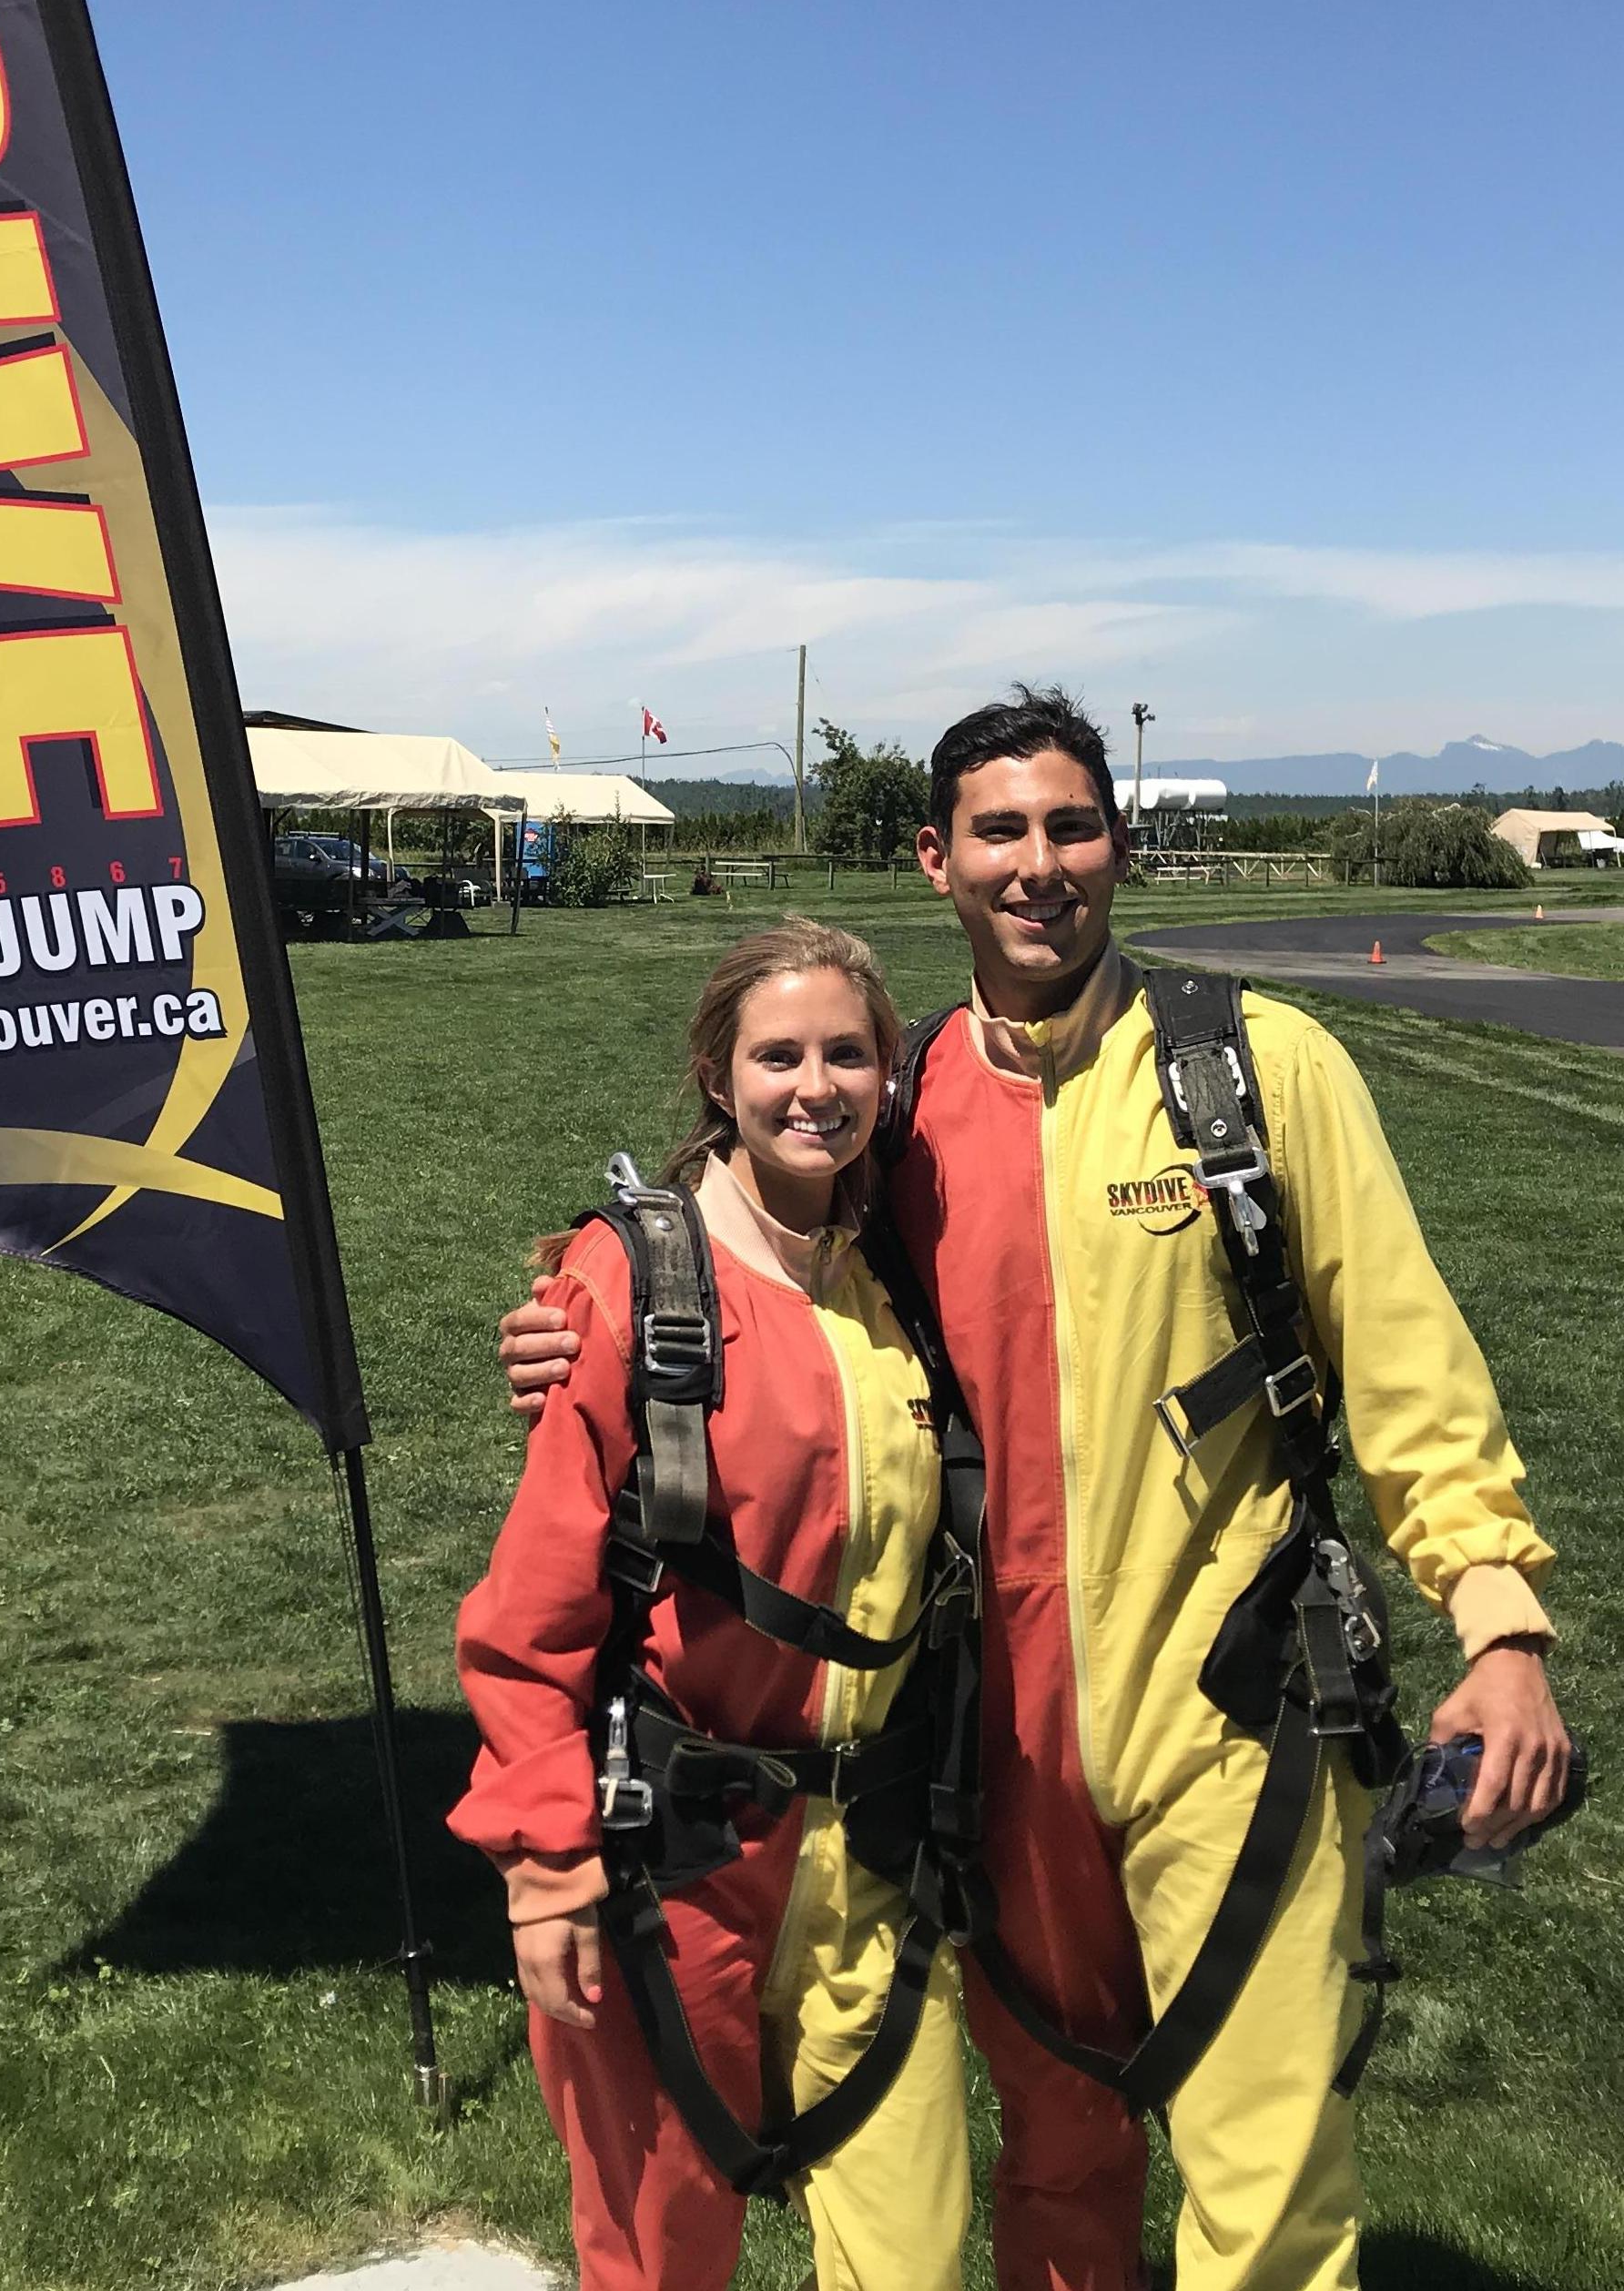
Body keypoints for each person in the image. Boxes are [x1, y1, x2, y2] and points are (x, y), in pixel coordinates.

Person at [502, 688, 1574, 2291]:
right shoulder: (909, 1105)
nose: (1039, 863)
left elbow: (1410, 1368)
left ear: (1116, 845)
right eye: (999, 831)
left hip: (1233, 1714)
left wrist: (1499, 1624)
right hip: (986, 1752)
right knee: (1059, 2164)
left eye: (1071, 825)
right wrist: (573, 1316)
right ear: (936, 861)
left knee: (1268, 2190)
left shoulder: (1257, 1073)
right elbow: (757, 1263)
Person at [452, 920, 970, 2291]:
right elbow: (535, 1609)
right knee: (662, 2258)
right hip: (673, 1870)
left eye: (849, 1052)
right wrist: (546, 1862)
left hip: (872, 1856)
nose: (817, 1086)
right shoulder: (635, 1283)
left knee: (911, 2252)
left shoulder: (901, 1277)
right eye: (780, 1054)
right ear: (717, 1075)